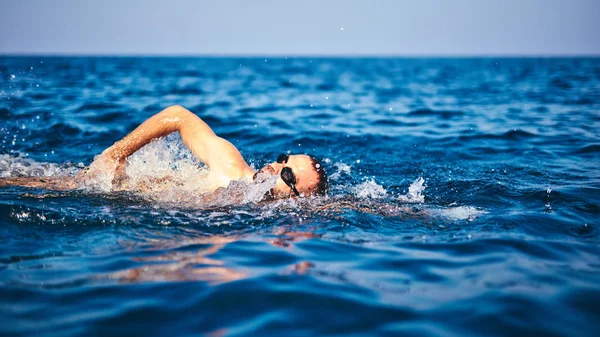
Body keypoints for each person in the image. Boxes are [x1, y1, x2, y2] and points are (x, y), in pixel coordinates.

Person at [0, 105, 329, 199]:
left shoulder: (259, 214)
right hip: (103, 186)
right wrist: (116, 155)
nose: (277, 165)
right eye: (284, 158)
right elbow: (179, 115)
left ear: (295, 197)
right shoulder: (230, 165)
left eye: (288, 173)